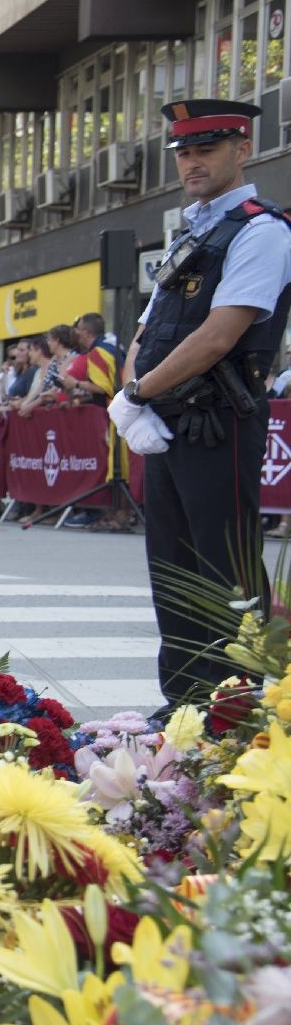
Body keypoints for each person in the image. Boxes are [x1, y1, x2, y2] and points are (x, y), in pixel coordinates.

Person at [109, 98, 291, 717]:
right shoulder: (193, 229)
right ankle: (187, 702)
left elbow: (221, 333)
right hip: (168, 420)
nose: (192, 161)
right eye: (184, 151)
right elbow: (148, 326)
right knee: (172, 565)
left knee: (227, 567)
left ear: (243, 149)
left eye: (206, 149)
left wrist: (137, 394)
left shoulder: (261, 229)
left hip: (218, 419)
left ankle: (244, 702)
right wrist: (134, 394)